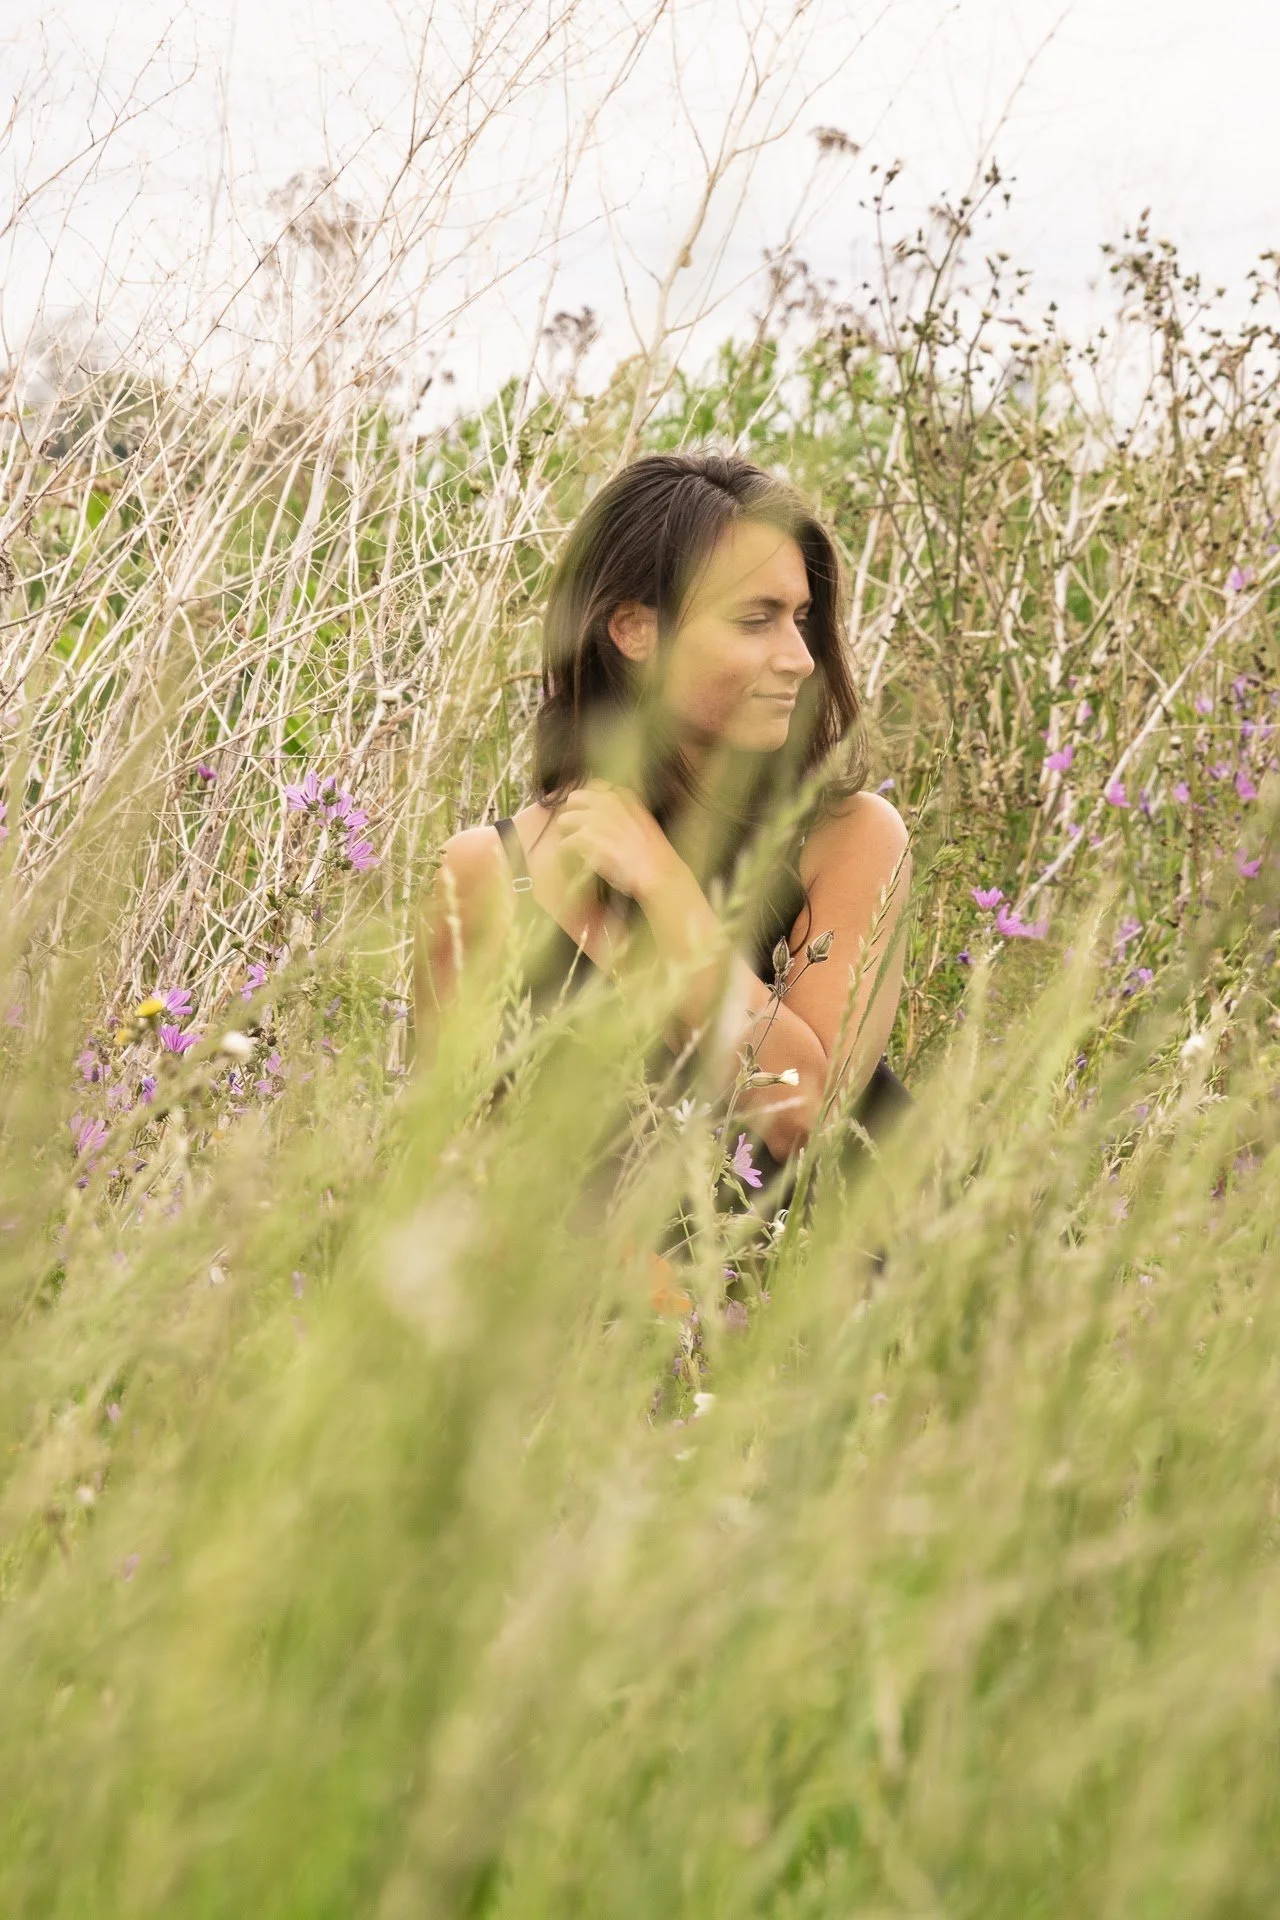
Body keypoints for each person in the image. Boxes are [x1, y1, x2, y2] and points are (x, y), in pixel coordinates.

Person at [413, 448, 913, 1261]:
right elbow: (444, 1172)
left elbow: (797, 1115)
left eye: (802, 619)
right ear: (635, 629)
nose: (800, 658)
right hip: (589, 1354)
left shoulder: (850, 838)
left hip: (832, 1341)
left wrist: (661, 885)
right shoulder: (482, 876)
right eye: (756, 620)